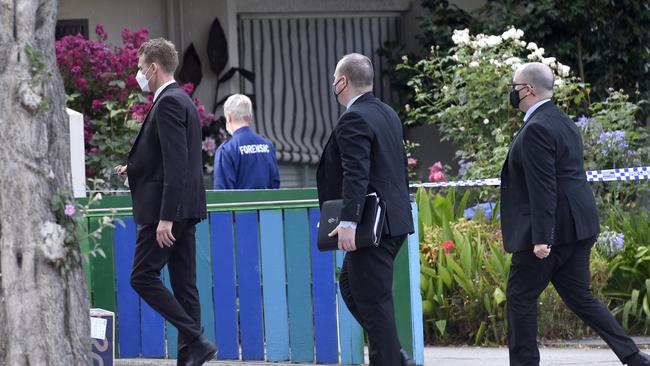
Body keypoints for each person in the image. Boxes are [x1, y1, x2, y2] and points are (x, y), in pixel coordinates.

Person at [501, 62, 650, 366]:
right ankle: (633, 357)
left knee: (520, 297)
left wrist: (542, 239)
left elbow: (543, 187)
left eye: (514, 87)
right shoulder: (562, 120)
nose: (512, 93)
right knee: (581, 297)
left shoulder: (536, 128)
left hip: (549, 233)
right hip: (578, 228)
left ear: (528, 89)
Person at [114, 38, 217, 366]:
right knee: (186, 286)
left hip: (168, 211)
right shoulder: (180, 99)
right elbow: (171, 159)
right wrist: (133, 171)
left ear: (154, 67)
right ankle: (192, 356)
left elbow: (176, 163)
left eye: (141, 67)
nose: (139, 73)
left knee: (142, 276)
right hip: (184, 207)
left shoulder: (169, 102)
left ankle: (197, 340)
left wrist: (166, 218)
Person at [316, 53, 415, 366]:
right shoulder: (387, 112)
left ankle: (393, 358)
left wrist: (348, 222)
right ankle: (394, 352)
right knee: (352, 289)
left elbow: (356, 172)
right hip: (393, 222)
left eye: (334, 79)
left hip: (371, 227)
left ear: (342, 81)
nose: (333, 84)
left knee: (374, 303)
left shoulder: (354, 117)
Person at [212, 94, 280, 190]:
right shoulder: (268, 146)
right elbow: (275, 185)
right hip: (266, 205)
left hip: (238, 205)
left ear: (229, 117)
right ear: (250, 117)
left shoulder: (226, 150)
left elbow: (222, 194)